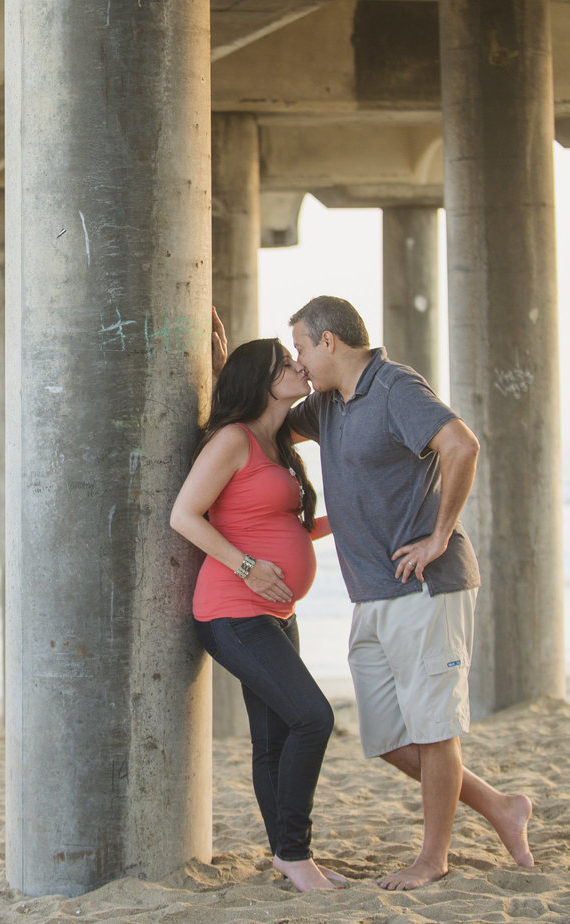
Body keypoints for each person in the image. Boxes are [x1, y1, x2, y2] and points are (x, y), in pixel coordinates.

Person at [246, 295, 534, 890]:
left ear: (329, 342)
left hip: (426, 587)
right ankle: (502, 807)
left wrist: (438, 535)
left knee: (433, 730)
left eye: (300, 346)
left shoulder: (394, 386)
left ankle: (434, 858)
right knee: (388, 739)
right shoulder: (326, 406)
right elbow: (267, 419)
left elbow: (462, 446)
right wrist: (230, 368)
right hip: (371, 595)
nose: (298, 361)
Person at [170, 337, 347, 892]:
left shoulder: (278, 445)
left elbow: (284, 526)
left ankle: (288, 857)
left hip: (277, 610)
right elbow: (184, 514)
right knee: (314, 718)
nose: (299, 365)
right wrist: (246, 567)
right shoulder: (232, 440)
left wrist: (346, 519)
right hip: (232, 611)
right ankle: (295, 852)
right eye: (285, 363)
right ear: (262, 383)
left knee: (272, 738)